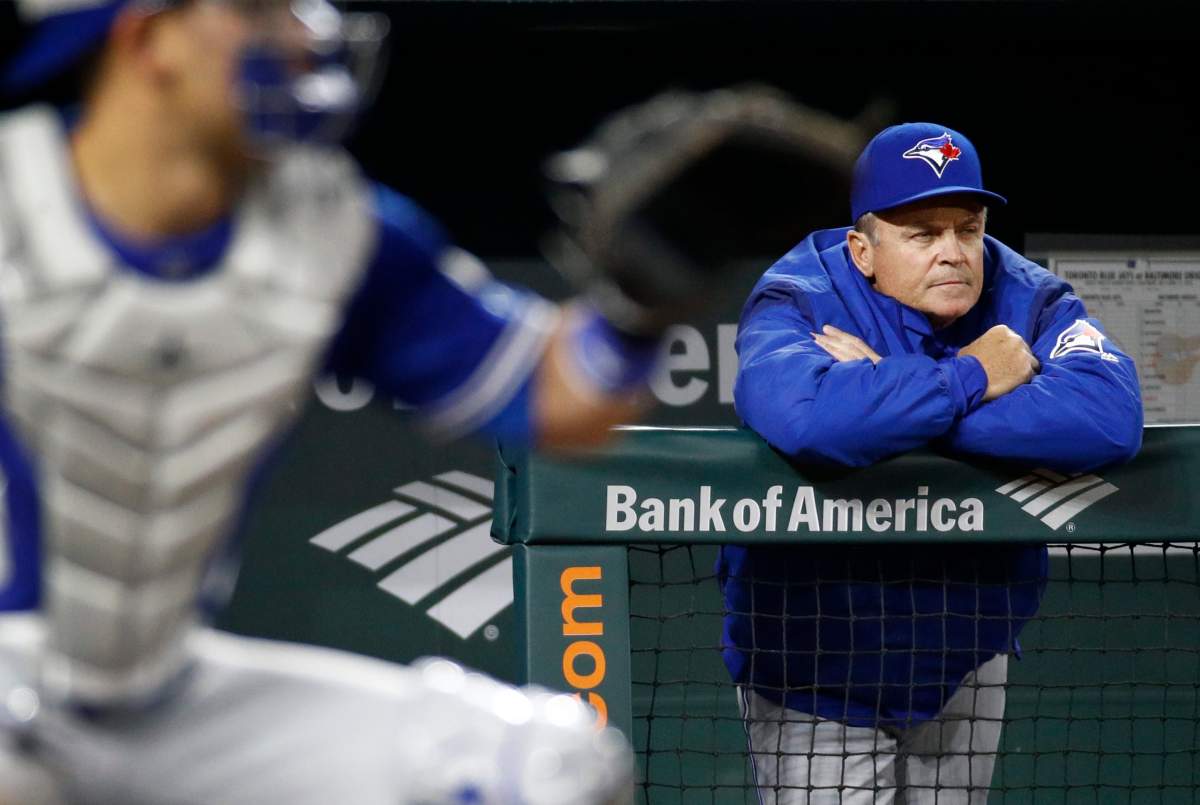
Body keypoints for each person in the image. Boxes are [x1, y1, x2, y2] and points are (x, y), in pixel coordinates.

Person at [0, 1, 844, 801]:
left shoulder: (331, 230)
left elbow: (557, 402)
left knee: (555, 767)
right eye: (257, 9)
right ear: (148, 40)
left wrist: (636, 306)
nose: (299, 34)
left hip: (167, 693)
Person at [719, 122, 1143, 804]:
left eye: (967, 228)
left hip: (962, 658)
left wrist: (889, 391)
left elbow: (1109, 416)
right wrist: (972, 376)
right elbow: (809, 419)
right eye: (922, 234)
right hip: (817, 668)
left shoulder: (1027, 295)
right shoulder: (799, 296)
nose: (953, 253)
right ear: (863, 248)